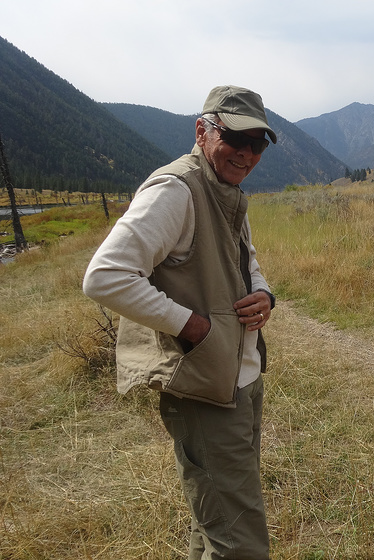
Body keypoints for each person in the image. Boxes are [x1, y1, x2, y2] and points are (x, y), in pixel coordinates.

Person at [83, 85, 278, 559]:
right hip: (205, 387)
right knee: (241, 544)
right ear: (202, 131)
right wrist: (194, 327)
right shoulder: (177, 190)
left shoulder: (226, 190)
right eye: (235, 139)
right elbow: (105, 276)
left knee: (212, 522)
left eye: (257, 144)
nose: (247, 153)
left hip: (238, 380)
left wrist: (263, 292)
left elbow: (245, 257)